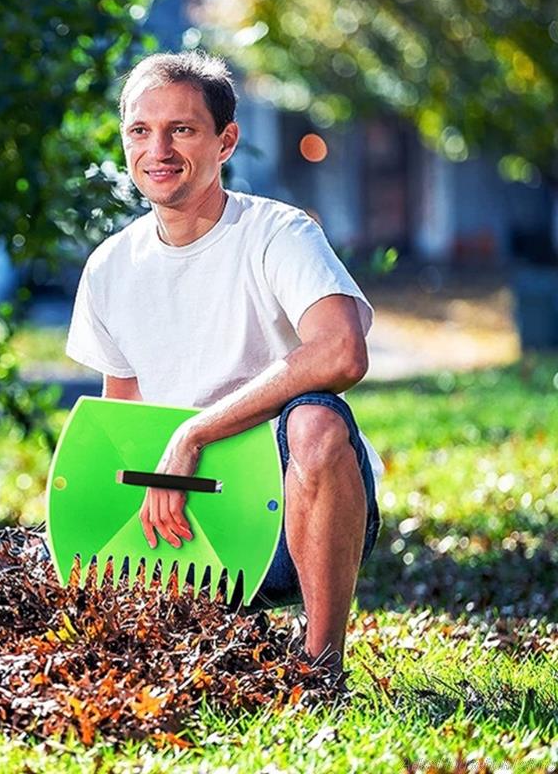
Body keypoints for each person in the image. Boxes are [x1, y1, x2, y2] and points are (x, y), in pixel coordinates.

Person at [64, 50, 382, 676]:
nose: (158, 149)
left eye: (181, 129)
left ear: (225, 140)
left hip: (294, 522)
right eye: (140, 130)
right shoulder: (109, 267)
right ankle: (216, 629)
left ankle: (321, 669)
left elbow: (343, 351)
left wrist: (195, 431)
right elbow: (121, 421)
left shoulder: (278, 234)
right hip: (182, 529)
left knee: (317, 420)